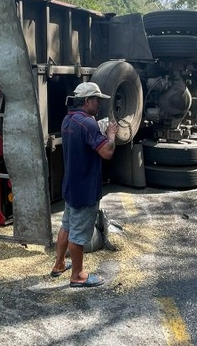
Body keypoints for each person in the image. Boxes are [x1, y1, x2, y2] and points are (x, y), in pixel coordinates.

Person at [51, 81, 118, 288]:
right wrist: (111, 134)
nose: (99, 104)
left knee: (67, 226)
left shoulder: (68, 120)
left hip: (71, 186)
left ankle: (60, 264)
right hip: (85, 188)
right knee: (79, 235)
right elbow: (107, 152)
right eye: (96, 100)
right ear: (87, 101)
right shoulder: (88, 124)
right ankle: (78, 275)